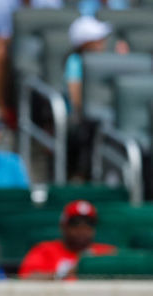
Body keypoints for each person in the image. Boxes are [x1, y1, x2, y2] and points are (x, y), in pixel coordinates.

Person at [64, 15, 128, 180]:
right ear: (85, 43)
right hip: (84, 122)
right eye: (97, 38)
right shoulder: (75, 62)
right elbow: (76, 99)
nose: (103, 41)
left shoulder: (108, 60)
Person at [18, 200, 115, 280]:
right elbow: (26, 280)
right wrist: (65, 273)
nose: (82, 230)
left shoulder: (107, 253)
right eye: (75, 224)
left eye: (89, 224)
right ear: (63, 226)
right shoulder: (44, 250)